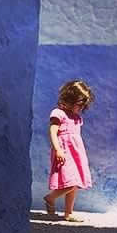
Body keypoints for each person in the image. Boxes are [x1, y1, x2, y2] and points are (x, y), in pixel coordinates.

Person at [43, 79, 95, 222]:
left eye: (83, 105)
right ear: (69, 99)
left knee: (75, 183)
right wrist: (58, 149)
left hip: (76, 153)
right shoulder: (58, 113)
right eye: (79, 104)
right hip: (64, 152)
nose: (81, 108)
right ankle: (50, 197)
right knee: (70, 182)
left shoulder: (77, 117)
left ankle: (68, 213)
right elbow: (53, 132)